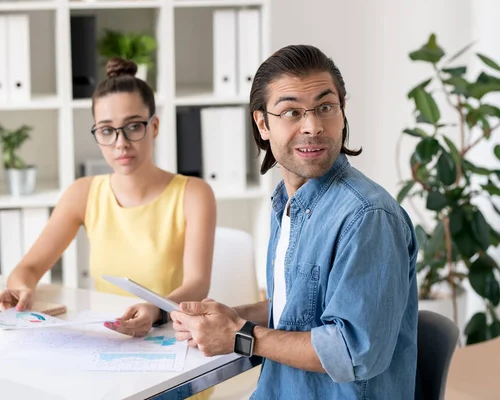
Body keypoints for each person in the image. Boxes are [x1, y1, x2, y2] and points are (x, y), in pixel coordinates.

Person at [171, 44, 420, 399]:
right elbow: (304, 306)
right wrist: (229, 318)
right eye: (291, 112)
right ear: (263, 123)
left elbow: (353, 351)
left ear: (342, 111)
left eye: (325, 107)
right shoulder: (287, 203)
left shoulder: (368, 218)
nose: (313, 126)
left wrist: (240, 336)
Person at [0, 57, 217, 340]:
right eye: (107, 131)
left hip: (171, 341)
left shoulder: (193, 194)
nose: (120, 143)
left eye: (134, 126)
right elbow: (29, 268)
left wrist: (155, 310)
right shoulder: (83, 193)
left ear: (155, 127)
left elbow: (198, 283)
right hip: (109, 341)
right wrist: (23, 288)